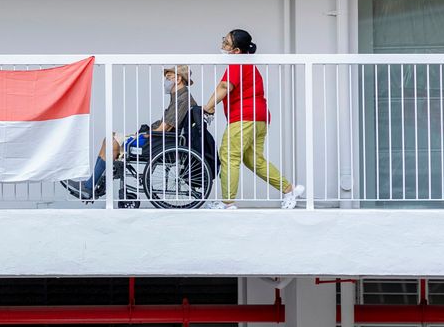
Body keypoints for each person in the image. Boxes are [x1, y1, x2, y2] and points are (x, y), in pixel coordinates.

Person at [62, 65, 198, 200]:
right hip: (160, 140)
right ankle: (91, 185)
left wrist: (148, 133)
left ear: (178, 78)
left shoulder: (183, 99)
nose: (165, 81)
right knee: (110, 138)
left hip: (158, 141)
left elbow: (165, 127)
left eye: (169, 77)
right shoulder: (179, 97)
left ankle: (90, 187)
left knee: (112, 141)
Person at [202, 29, 303, 210]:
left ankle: (227, 203)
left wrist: (208, 107)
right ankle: (289, 189)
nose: (222, 46)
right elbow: (223, 86)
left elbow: (225, 86)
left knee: (228, 155)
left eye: (226, 43)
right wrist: (209, 105)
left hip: (244, 117)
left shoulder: (238, 63)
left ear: (236, 51)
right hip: (260, 118)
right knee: (253, 160)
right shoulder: (247, 65)